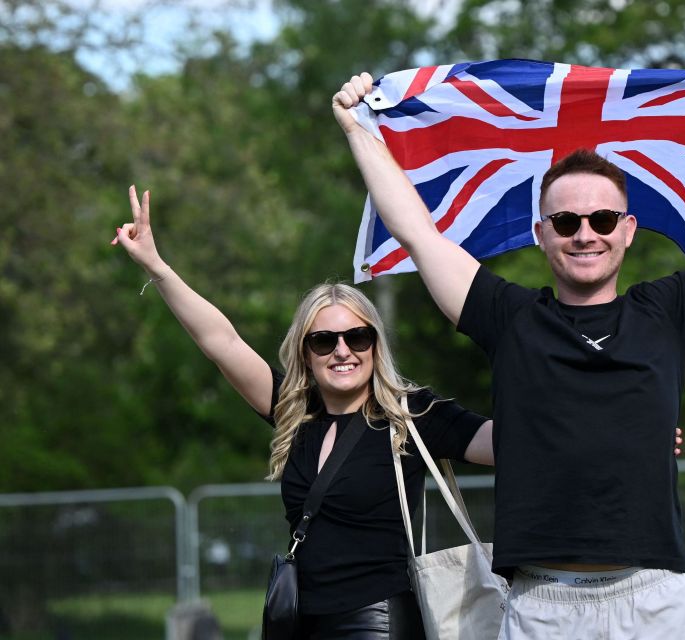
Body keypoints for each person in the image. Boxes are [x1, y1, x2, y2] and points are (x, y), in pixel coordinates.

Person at [333, 68, 685, 638]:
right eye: (566, 221)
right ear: (542, 232)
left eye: (601, 219)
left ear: (628, 230)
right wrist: (357, 130)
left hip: (658, 598)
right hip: (541, 604)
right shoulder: (510, 318)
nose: (584, 234)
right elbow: (418, 232)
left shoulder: (670, 311)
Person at [110, 185, 495, 639]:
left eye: (357, 337)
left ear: (375, 345)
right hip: (298, 622)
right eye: (323, 340)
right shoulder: (295, 411)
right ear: (305, 353)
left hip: (380, 622)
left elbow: (508, 444)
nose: (342, 351)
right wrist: (157, 266)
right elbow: (222, 342)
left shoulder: (412, 416)